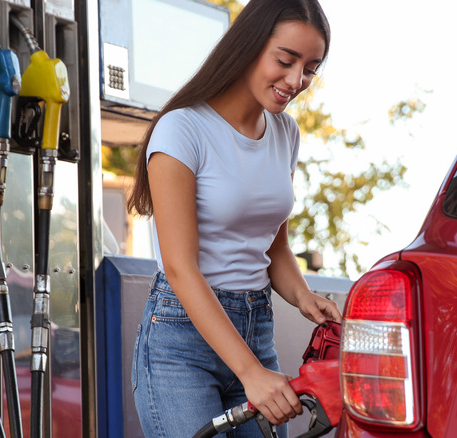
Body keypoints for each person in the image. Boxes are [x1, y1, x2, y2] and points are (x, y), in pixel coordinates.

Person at [126, 0, 342, 436]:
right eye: (285, 60)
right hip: (181, 341)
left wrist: (303, 297)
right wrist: (251, 373)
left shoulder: (286, 133)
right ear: (248, 46)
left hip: (255, 326)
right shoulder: (182, 129)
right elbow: (181, 268)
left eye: (310, 68)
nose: (296, 80)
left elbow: (274, 245)